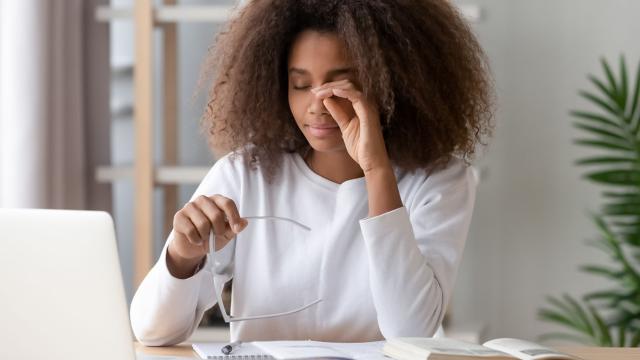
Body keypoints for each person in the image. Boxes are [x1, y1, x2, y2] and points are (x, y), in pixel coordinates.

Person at [130, 0, 494, 346]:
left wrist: (376, 170)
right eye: (300, 85)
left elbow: (410, 330)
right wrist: (182, 255)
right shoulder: (246, 174)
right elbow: (152, 331)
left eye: (341, 87)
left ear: (390, 85)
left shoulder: (439, 180)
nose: (317, 105)